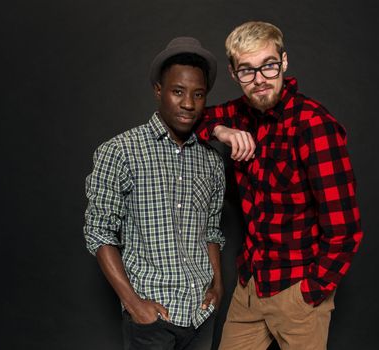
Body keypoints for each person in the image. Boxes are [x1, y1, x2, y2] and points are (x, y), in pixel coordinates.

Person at [197, 21, 363, 350]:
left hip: (297, 289)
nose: (259, 79)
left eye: (268, 66)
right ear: (233, 73)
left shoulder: (314, 126)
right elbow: (193, 117)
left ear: (284, 62)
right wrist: (222, 132)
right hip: (250, 285)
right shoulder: (239, 114)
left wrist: (311, 293)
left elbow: (345, 229)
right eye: (247, 70)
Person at [84, 37, 226, 350]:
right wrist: (134, 304)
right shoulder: (119, 151)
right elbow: (99, 234)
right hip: (152, 317)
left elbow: (212, 232)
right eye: (178, 91)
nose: (188, 103)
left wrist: (218, 287)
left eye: (198, 94)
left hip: (202, 315)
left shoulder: (212, 160)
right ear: (158, 91)